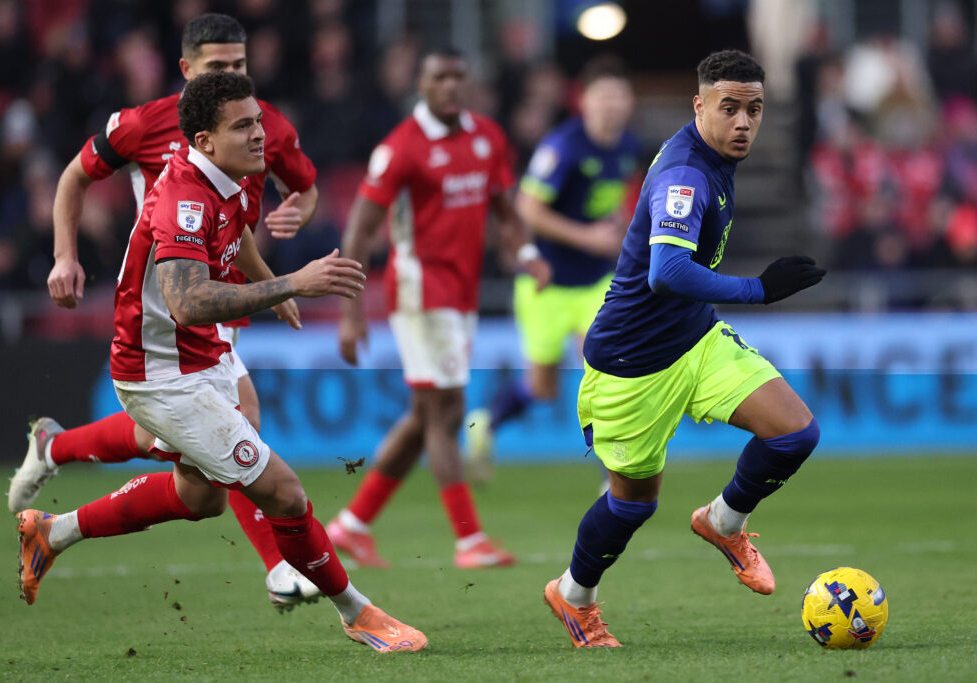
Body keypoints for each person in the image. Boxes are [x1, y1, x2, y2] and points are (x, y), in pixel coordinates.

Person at [16, 72, 427, 653]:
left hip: (201, 356)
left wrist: (272, 286)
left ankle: (50, 533)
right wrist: (294, 282)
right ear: (205, 140)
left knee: (200, 497)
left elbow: (238, 237)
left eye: (258, 119)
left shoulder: (225, 177)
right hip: (162, 374)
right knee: (282, 490)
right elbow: (186, 302)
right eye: (244, 126)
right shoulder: (184, 197)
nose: (262, 134)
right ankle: (358, 614)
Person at [7, 13, 321, 612]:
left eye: (239, 66)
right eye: (217, 68)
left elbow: (298, 192)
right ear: (187, 71)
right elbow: (73, 177)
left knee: (200, 481)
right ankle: (279, 566)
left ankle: (55, 481)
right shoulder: (145, 124)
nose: (231, 77)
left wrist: (293, 228)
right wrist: (63, 256)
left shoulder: (264, 124)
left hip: (224, 299)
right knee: (232, 428)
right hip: (167, 306)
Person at [542, 50, 826, 648]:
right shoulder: (686, 174)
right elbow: (666, 272)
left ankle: (724, 522)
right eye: (730, 108)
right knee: (633, 504)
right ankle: (574, 596)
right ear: (699, 106)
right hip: (631, 365)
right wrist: (759, 289)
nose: (744, 122)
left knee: (795, 433)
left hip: (695, 338)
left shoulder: (714, 157)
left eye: (754, 109)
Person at [326, 48, 550, 569]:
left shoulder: (487, 137)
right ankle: (469, 540)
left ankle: (352, 525)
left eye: (458, 76)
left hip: (462, 294)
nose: (451, 85)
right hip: (420, 293)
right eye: (439, 77)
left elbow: (506, 211)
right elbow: (360, 227)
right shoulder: (400, 148)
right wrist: (350, 310)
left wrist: (528, 254)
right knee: (447, 412)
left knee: (425, 414)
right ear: (421, 86)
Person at [465, 56, 640, 483]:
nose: (611, 105)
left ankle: (611, 479)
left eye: (618, 96)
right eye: (603, 96)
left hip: (596, 283)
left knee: (603, 373)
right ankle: (485, 424)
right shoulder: (563, 146)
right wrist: (590, 236)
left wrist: (619, 229)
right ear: (584, 101)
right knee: (542, 388)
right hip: (546, 283)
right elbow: (528, 208)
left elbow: (615, 199)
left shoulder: (629, 147)